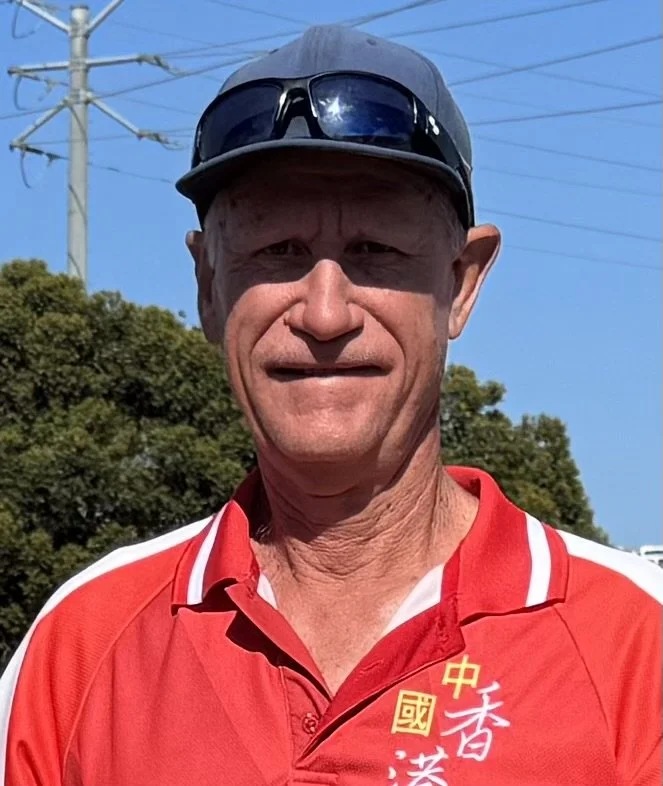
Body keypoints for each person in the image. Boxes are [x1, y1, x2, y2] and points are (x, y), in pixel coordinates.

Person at [0, 24, 660, 786]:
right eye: (276, 251)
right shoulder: (78, 647)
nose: (323, 314)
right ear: (208, 286)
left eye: (374, 251)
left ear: (461, 281)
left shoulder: (636, 647)